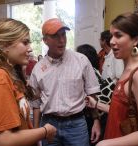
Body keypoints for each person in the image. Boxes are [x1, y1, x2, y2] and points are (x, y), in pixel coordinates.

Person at [0, 18, 56, 146]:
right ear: (3, 45)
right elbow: (2, 140)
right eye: (25, 43)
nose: (30, 49)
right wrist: (45, 131)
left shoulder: (5, 74)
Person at [86, 12, 138, 146]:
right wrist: (96, 104)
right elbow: (123, 112)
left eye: (118, 35)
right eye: (112, 36)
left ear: (135, 40)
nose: (112, 41)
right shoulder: (127, 70)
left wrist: (105, 144)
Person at [29, 18, 101, 146]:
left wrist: (96, 120)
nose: (61, 40)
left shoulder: (81, 60)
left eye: (63, 35)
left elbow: (92, 95)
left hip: (76, 125)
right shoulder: (38, 68)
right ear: (45, 40)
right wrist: (36, 133)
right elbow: (36, 103)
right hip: (48, 124)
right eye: (55, 36)